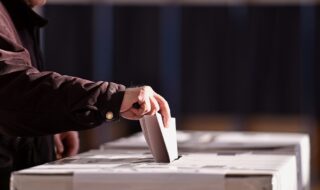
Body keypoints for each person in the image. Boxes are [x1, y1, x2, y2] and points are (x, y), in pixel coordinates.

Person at [0, 0, 171, 189]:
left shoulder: (15, 14)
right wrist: (112, 99)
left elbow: (20, 105)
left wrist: (46, 130)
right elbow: (13, 92)